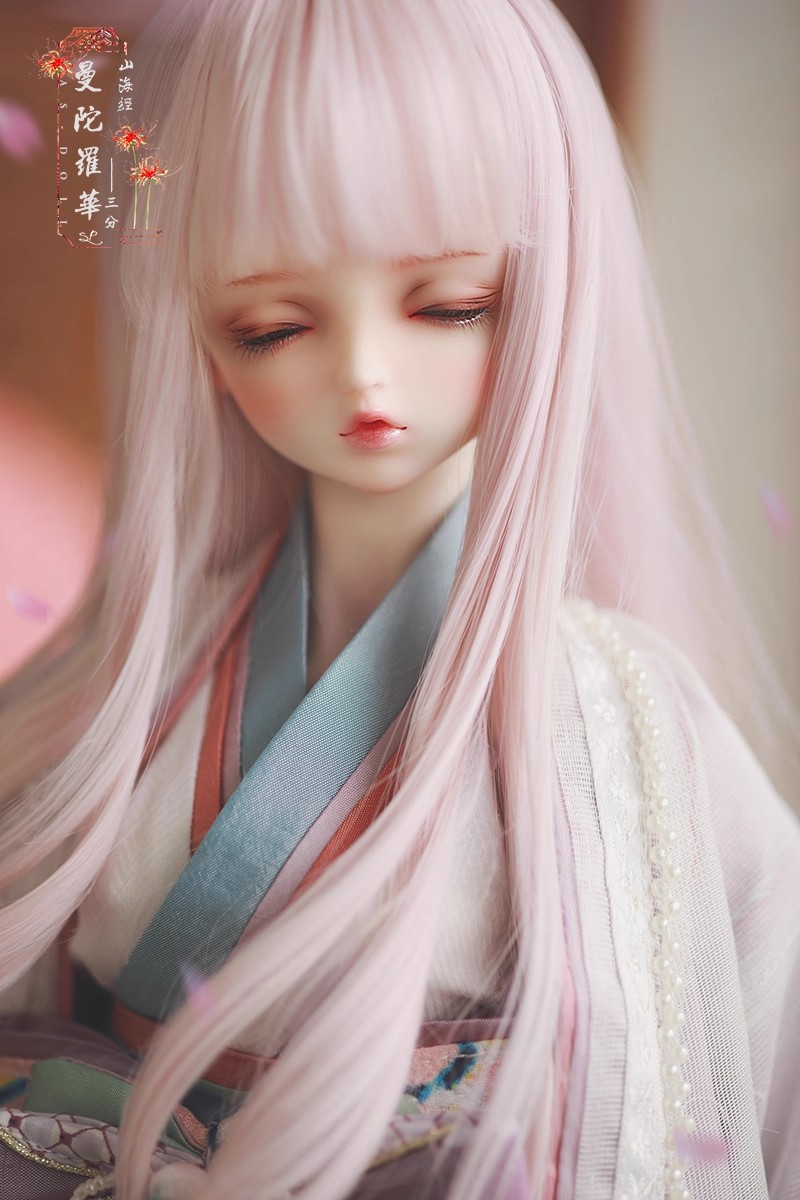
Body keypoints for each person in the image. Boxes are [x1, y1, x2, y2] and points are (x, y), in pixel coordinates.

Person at [0, 1, 798, 1198]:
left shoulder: (631, 731)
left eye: (447, 305)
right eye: (272, 327)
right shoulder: (116, 688)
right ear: (196, 335)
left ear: (541, 290)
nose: (365, 374)